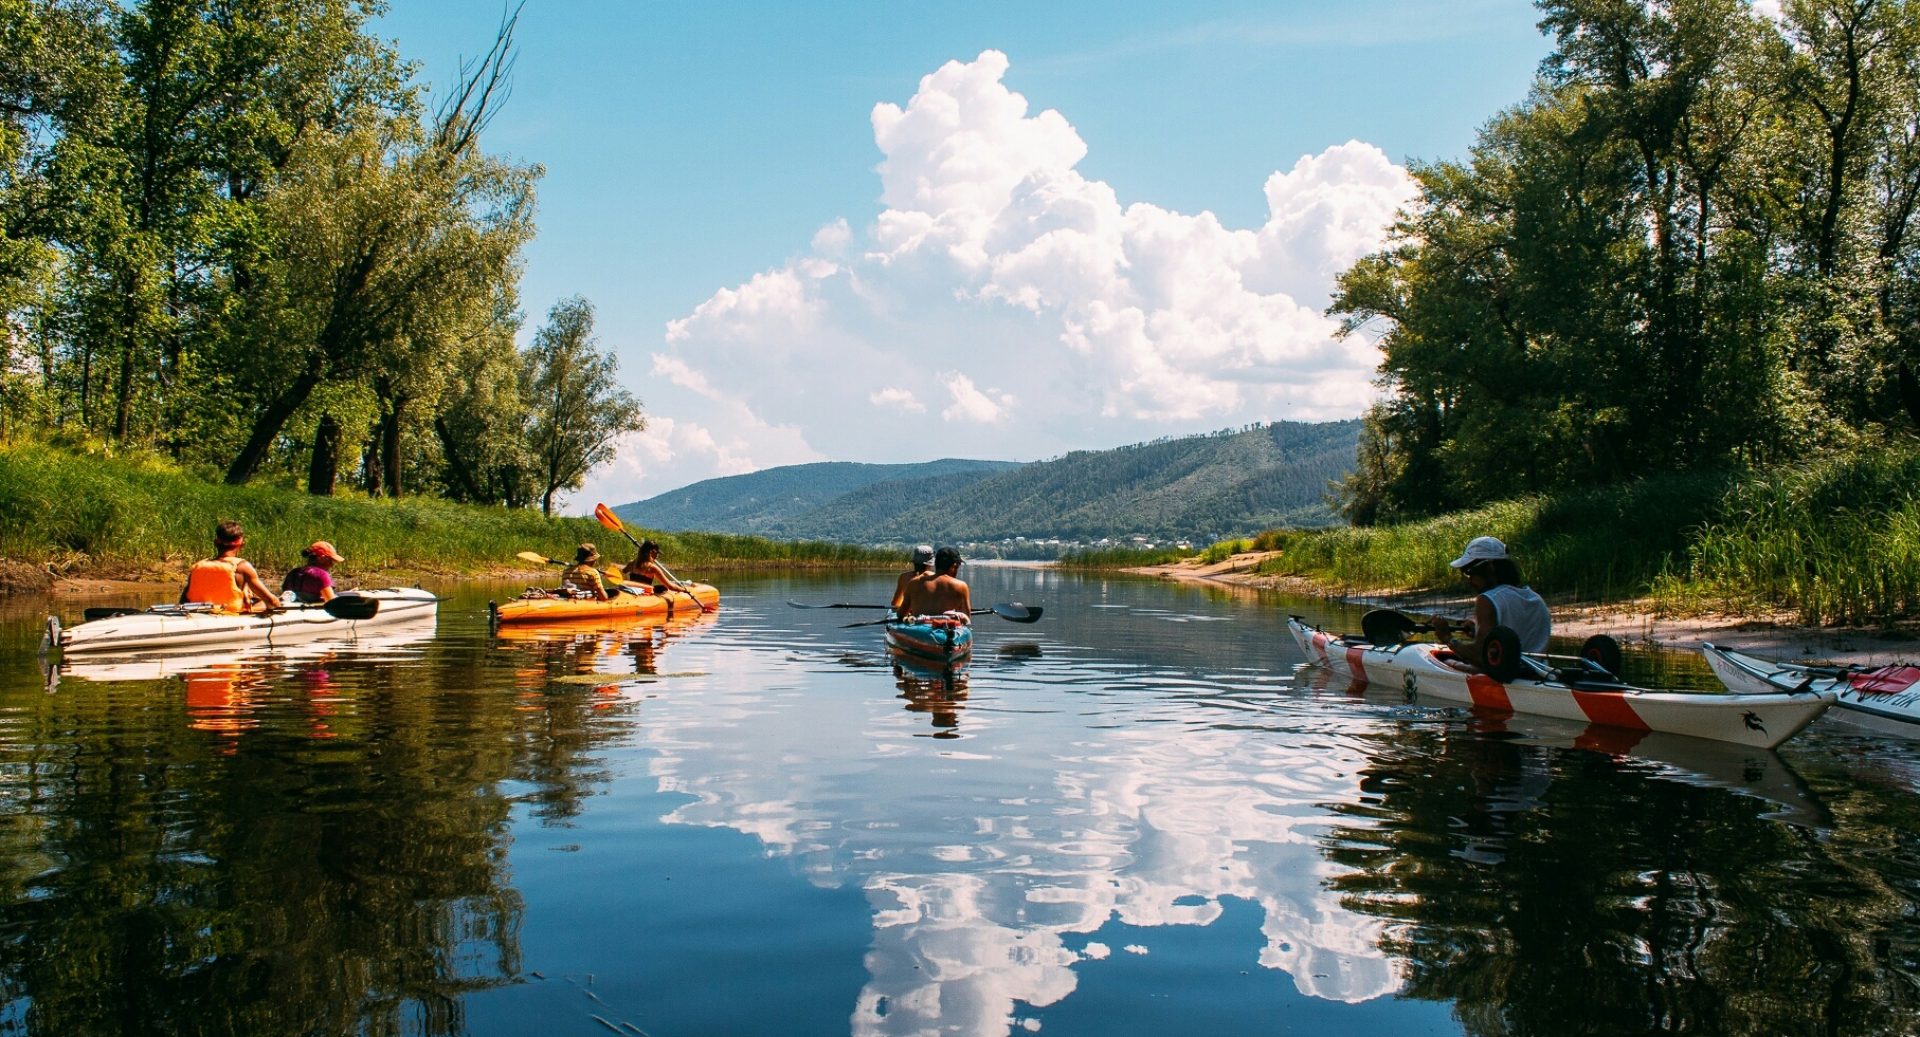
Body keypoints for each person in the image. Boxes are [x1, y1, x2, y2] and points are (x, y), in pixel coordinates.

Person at [1431, 535, 1550, 665]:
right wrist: (1479, 631)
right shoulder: (1536, 599)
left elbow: (1479, 656)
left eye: (1470, 571)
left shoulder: (1487, 600)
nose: (1469, 580)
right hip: (1539, 675)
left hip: (1506, 679)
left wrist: (1447, 638)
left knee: (1447, 662)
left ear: (1490, 567)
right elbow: (1517, 636)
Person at [181, 519, 281, 612]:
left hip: (198, 614)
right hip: (229, 615)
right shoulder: (242, 567)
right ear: (242, 544)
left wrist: (246, 589)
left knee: (251, 595)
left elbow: (183, 601)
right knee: (264, 602)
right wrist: (279, 605)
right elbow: (271, 602)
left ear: (216, 543)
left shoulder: (198, 566)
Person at [900, 546, 971, 622]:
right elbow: (967, 618)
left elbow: (901, 614)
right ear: (954, 566)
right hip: (945, 628)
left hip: (919, 626)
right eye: (957, 567)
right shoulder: (961, 586)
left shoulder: (914, 583)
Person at [623, 539, 691, 597]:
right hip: (643, 596)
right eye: (657, 553)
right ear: (652, 552)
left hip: (630, 593)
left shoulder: (632, 563)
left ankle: (686, 583)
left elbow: (623, 572)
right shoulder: (652, 568)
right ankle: (687, 584)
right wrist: (684, 590)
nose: (657, 556)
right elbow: (670, 587)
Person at [890, 544, 936, 619]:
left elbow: (895, 603)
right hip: (930, 618)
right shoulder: (938, 578)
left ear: (914, 562)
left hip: (910, 616)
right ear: (930, 564)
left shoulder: (904, 577)